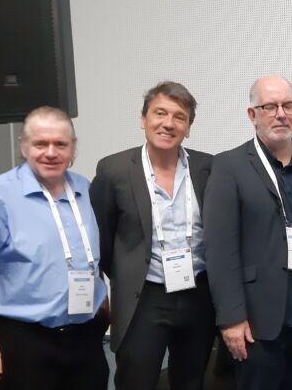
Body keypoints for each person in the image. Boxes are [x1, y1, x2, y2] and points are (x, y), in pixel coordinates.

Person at [0, 106, 109, 390]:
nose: (51, 152)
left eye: (60, 144)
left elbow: (91, 256)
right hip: (24, 340)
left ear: (73, 148)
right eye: (41, 143)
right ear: (24, 147)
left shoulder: (85, 189)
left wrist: (103, 306)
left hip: (85, 337)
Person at [205, 75, 292, 390]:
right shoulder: (229, 166)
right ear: (252, 115)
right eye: (270, 107)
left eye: (288, 105)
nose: (281, 114)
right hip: (256, 324)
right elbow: (220, 251)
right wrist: (231, 318)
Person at [90, 81, 215, 389]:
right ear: (143, 119)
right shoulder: (114, 170)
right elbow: (102, 240)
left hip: (198, 294)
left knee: (192, 380)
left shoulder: (208, 168)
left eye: (179, 117)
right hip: (144, 297)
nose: (168, 123)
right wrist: (127, 274)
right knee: (137, 380)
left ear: (188, 128)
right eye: (160, 113)